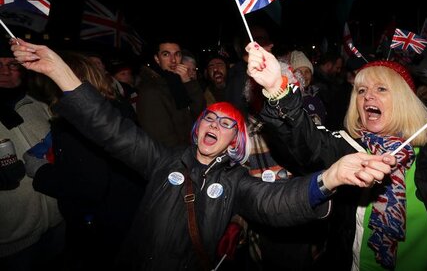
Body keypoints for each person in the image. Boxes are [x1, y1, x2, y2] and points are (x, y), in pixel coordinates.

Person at [11, 39, 395, 271]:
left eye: (227, 124)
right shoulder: (162, 159)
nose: (215, 124)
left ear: (236, 141)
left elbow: (274, 200)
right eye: (210, 118)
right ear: (199, 126)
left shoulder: (235, 181)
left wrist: (330, 178)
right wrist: (61, 72)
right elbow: (110, 129)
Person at [246, 42, 427, 270]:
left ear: (404, 100)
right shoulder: (348, 148)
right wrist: (278, 88)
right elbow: (308, 143)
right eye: (361, 90)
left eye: (381, 89)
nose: (367, 96)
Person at [23, 51, 145, 270]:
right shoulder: (117, 107)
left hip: (101, 228)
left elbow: (87, 185)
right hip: (127, 218)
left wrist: (40, 170)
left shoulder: (76, 122)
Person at [0, 42, 64, 271]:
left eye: (12, 65)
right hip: (13, 238)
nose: (5, 71)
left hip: (59, 222)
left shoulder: (41, 105)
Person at [136, 39, 205, 147]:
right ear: (157, 59)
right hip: (177, 159)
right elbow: (163, 140)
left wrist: (188, 83)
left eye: (177, 54)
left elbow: (200, 114)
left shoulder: (178, 83)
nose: (173, 60)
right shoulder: (150, 91)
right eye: (166, 54)